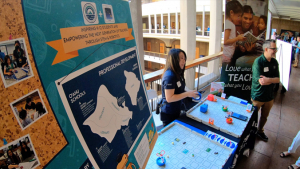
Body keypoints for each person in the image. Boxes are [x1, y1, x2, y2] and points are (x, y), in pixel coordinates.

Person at [160, 49, 198, 126]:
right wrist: (187, 94)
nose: (184, 61)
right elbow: (169, 98)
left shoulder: (177, 73)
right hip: (169, 113)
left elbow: (179, 90)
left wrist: (190, 93)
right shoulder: (169, 76)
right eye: (181, 58)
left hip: (176, 109)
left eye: (184, 58)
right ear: (174, 59)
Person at [251, 39, 280, 142]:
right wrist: (270, 80)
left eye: (276, 48)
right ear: (266, 49)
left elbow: (278, 80)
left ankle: (260, 131)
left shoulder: (274, 62)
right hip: (258, 96)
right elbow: (261, 82)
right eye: (273, 48)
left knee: (265, 117)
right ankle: (250, 132)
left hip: (269, 97)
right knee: (253, 116)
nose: (275, 50)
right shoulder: (258, 61)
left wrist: (268, 80)